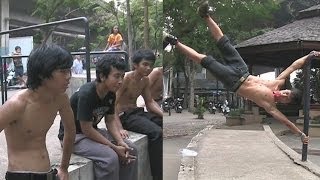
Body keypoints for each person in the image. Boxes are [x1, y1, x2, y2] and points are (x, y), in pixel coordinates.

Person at [163, 1, 314, 144]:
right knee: (224, 42)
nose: (284, 94)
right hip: (242, 69)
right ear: (286, 89)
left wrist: (300, 134)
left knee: (204, 60)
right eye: (287, 92)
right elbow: (294, 66)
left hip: (234, 81)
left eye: (286, 97)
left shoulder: (270, 106)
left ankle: (174, 42)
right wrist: (309, 55)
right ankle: (205, 15)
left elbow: (285, 121)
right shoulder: (278, 82)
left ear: (286, 103)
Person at [0, 44, 76, 180]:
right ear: (42, 74)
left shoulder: (60, 98)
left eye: (69, 71)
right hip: (20, 175)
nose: (68, 76)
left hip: (48, 174)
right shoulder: (17, 104)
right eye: (63, 71)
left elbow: (70, 130)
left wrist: (64, 167)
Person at [58, 54, 138, 180]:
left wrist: (120, 142)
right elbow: (86, 129)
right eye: (116, 76)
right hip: (74, 137)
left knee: (131, 149)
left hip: (91, 132)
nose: (121, 81)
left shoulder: (111, 93)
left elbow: (110, 121)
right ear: (102, 76)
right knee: (110, 157)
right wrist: (114, 147)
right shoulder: (87, 94)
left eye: (122, 76)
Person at [115, 49, 163, 180]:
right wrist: (119, 128)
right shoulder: (125, 78)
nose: (148, 68)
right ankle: (158, 175)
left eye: (151, 65)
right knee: (157, 133)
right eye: (145, 64)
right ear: (135, 65)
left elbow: (149, 102)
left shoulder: (145, 80)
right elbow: (112, 104)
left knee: (163, 124)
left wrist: (163, 115)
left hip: (137, 112)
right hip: (124, 116)